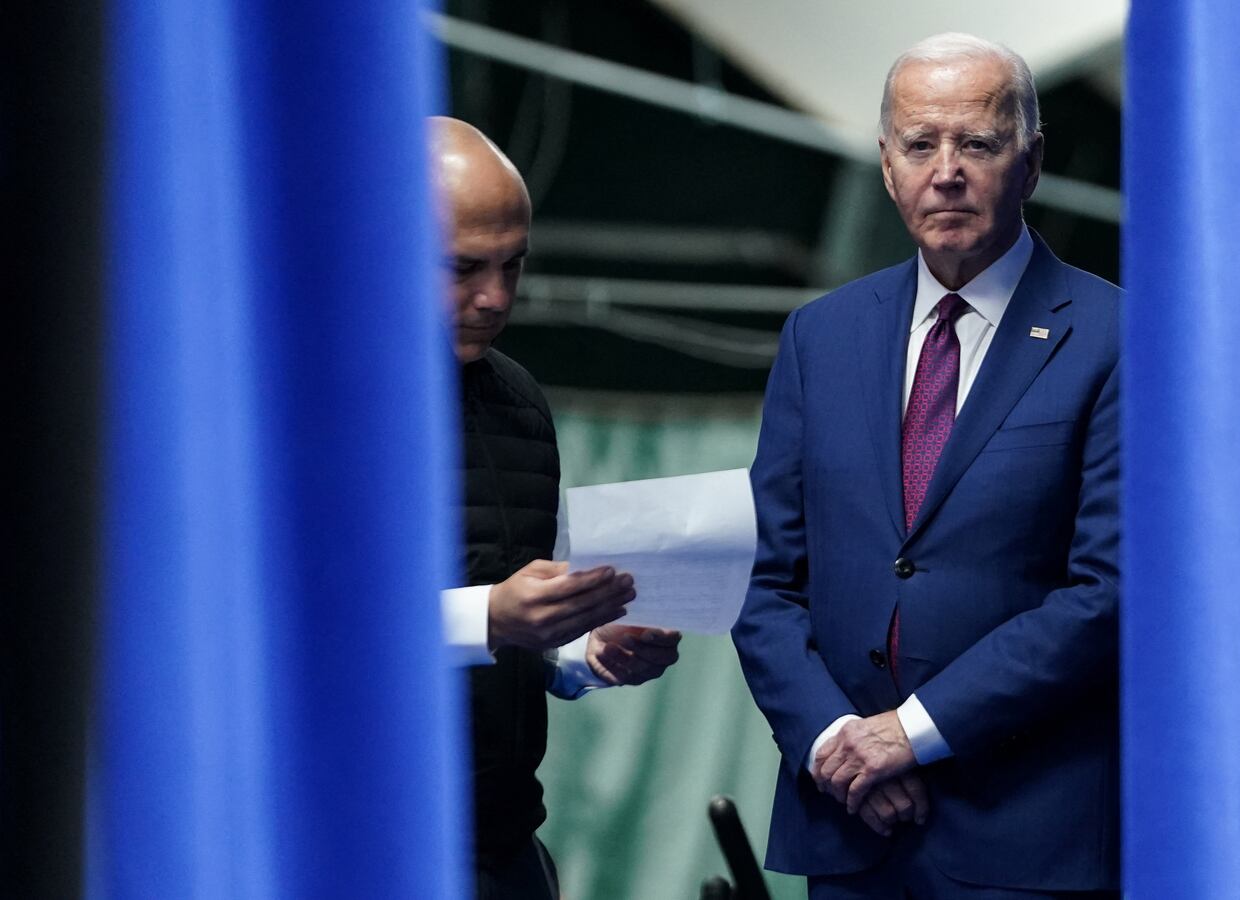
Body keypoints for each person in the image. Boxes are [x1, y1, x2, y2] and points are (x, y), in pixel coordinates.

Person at [731, 34, 1121, 898]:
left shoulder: (1117, 338)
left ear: (1031, 161)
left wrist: (909, 734)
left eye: (976, 142)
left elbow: (1108, 592)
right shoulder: (818, 337)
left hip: (1027, 837)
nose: (946, 172)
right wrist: (836, 744)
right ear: (885, 164)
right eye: (919, 144)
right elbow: (764, 585)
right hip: (851, 826)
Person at [429, 116, 685, 900]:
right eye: (464, 267)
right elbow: (297, 631)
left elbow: (511, 622)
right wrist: (492, 617)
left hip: (503, 842)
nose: (496, 296)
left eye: (514, 264)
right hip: (360, 840)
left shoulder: (520, 404)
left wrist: (585, 649)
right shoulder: (295, 405)